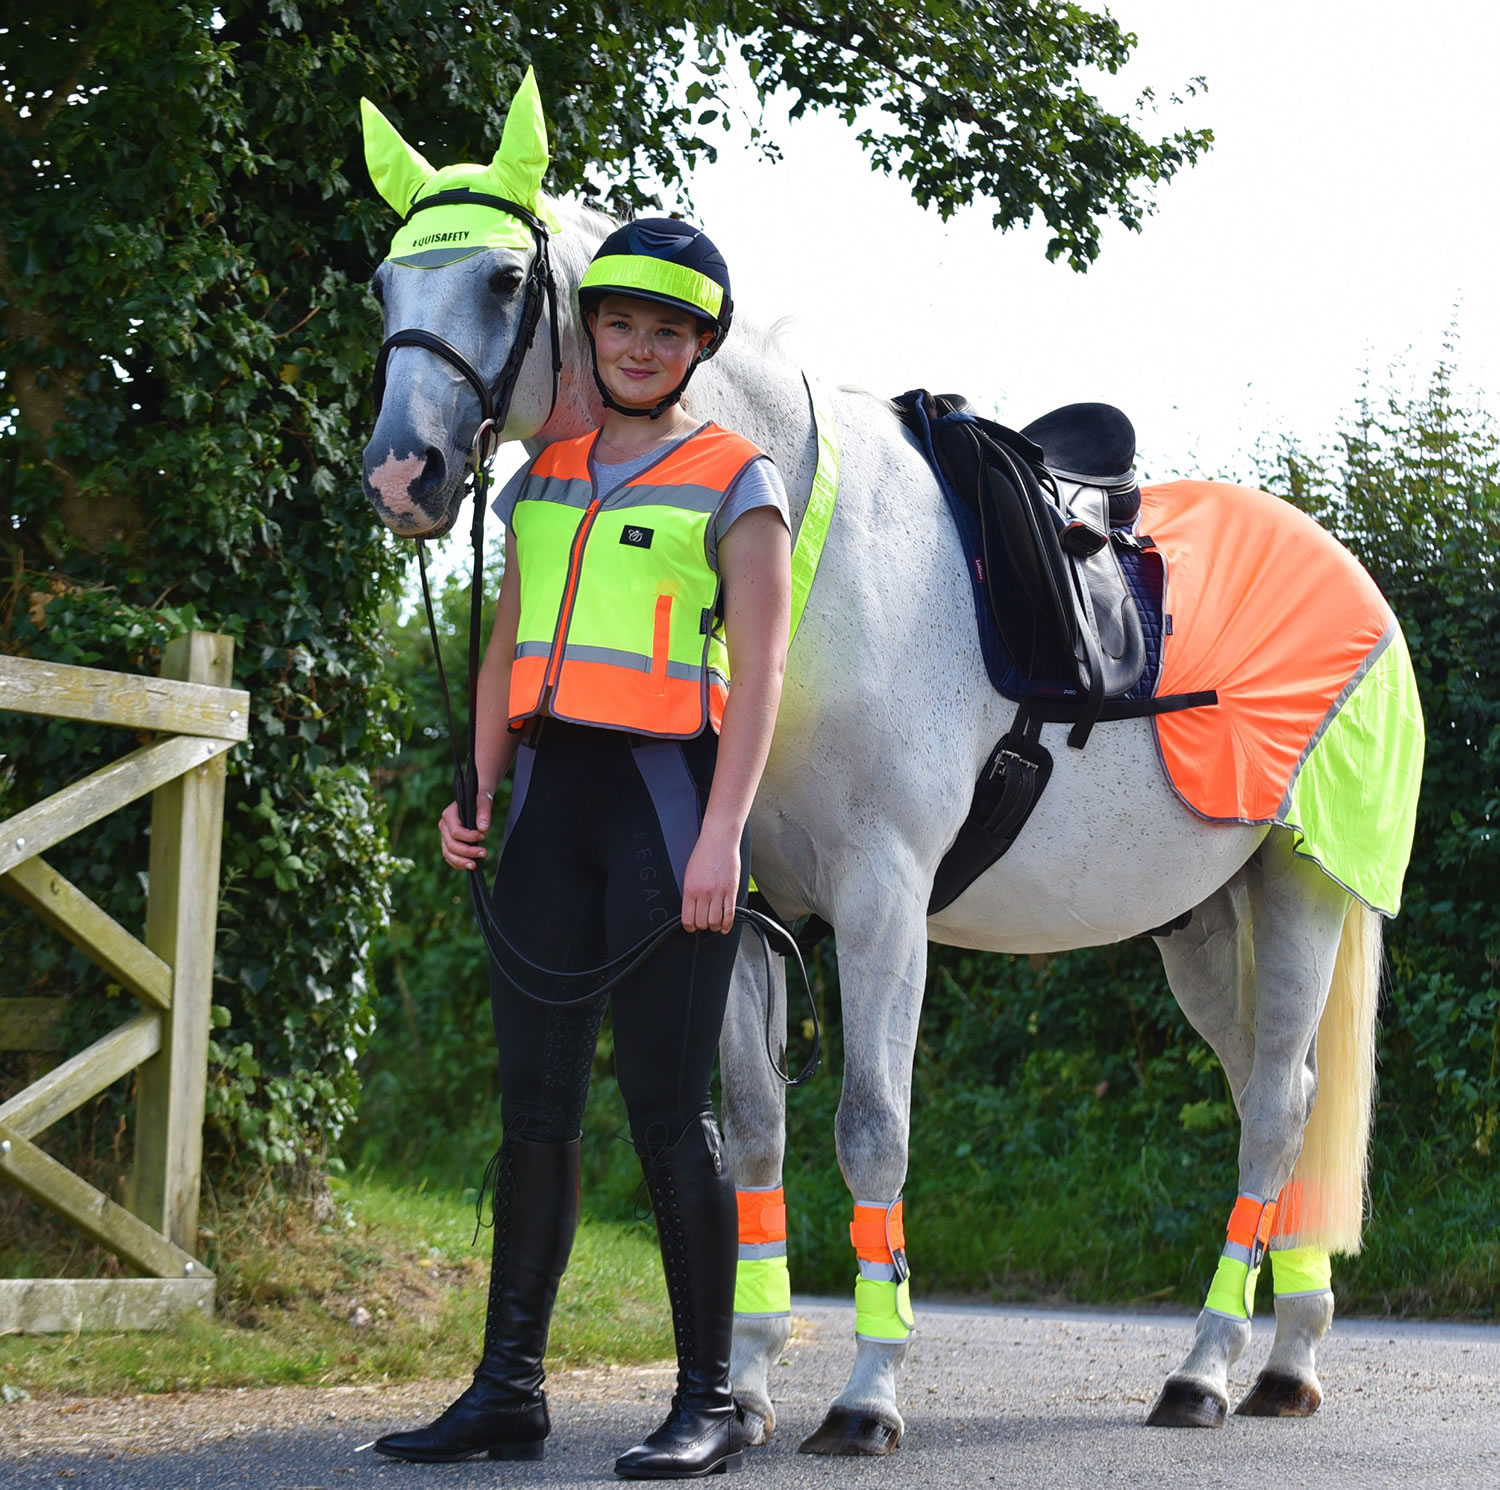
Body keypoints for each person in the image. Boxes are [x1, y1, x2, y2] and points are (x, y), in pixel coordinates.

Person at [374, 218, 792, 1479]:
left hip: (672, 811)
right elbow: (504, 647)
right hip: (550, 810)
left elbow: (762, 671)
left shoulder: (737, 476)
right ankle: (508, 1389)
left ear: (698, 346)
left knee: (672, 1114)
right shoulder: (541, 476)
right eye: (621, 323)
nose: (641, 346)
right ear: (591, 330)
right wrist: (479, 792)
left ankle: (710, 1396)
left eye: (669, 331)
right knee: (535, 1113)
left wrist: (725, 834)